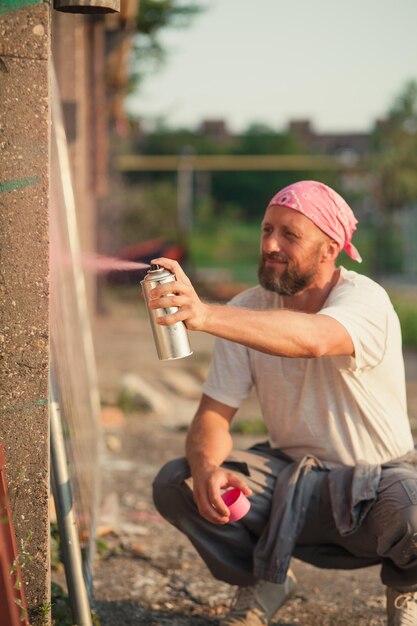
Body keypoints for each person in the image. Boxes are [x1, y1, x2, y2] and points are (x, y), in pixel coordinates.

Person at [151, 180, 417, 626]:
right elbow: (213, 416)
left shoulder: (364, 300)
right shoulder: (248, 309)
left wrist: (206, 316)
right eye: (266, 230)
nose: (270, 245)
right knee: (178, 481)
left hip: (376, 490)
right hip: (290, 485)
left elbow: (313, 340)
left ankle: (408, 590)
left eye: (289, 235)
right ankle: (263, 581)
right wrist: (207, 468)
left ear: (329, 249)